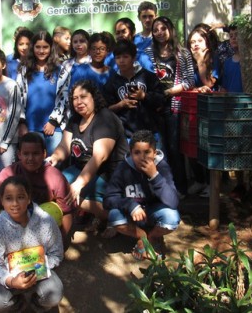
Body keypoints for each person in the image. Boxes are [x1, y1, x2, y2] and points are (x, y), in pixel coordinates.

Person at [48, 80, 128, 234]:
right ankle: (95, 214)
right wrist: (53, 159)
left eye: (83, 97)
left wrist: (78, 184)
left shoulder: (105, 118)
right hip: (83, 169)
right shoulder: (75, 119)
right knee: (56, 185)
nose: (79, 102)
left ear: (94, 97)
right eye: (75, 98)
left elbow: (100, 156)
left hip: (110, 173)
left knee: (70, 193)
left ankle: (116, 218)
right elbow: (64, 146)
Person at [0, 176, 64, 313]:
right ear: (2, 201)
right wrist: (10, 281)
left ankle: (37, 305)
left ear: (29, 199)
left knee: (54, 294)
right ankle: (18, 305)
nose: (15, 203)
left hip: (40, 274)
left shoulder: (45, 220)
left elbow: (56, 253)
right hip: (10, 276)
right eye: (8, 198)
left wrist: (38, 270)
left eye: (21, 197)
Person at [0, 133, 76, 243]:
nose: (31, 158)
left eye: (36, 153)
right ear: (19, 154)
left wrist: (61, 240)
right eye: (26, 154)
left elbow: (67, 212)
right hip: (13, 230)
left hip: (44, 232)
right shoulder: (8, 173)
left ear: (44, 154)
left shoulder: (55, 177)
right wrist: (0, 230)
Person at [104, 130, 180, 260]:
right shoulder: (123, 168)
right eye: (137, 153)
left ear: (155, 153)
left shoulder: (162, 167)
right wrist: (130, 205)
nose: (142, 157)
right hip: (132, 215)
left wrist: (154, 176)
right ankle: (142, 236)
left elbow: (173, 202)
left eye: (147, 152)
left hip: (154, 213)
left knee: (172, 218)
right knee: (114, 216)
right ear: (131, 153)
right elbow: (108, 199)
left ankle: (151, 238)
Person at [143, 16, 194, 195]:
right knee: (159, 148)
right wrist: (153, 97)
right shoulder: (148, 52)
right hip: (154, 107)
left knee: (174, 148)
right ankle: (162, 188)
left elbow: (190, 80)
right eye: (155, 30)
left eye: (163, 28)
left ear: (170, 29)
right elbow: (146, 77)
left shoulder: (182, 52)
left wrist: (169, 92)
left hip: (174, 106)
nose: (159, 33)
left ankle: (180, 188)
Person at [16, 31, 71, 155]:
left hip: (53, 128)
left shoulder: (61, 71)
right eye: (38, 47)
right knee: (32, 166)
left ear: (51, 48)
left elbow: (64, 98)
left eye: (45, 47)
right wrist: (22, 123)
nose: (41, 51)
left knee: (54, 166)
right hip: (30, 127)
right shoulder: (24, 70)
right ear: (32, 48)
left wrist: (53, 121)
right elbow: (18, 98)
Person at [104, 40, 165, 139]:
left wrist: (144, 96)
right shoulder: (112, 82)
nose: (121, 61)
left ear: (134, 58)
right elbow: (105, 109)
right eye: (118, 57)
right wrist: (121, 104)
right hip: (126, 136)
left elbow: (161, 100)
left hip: (151, 132)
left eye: (125, 57)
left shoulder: (148, 76)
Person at [188, 25, 223, 93]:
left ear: (207, 43)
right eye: (193, 42)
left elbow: (209, 83)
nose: (196, 44)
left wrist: (200, 61)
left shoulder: (214, 58)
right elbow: (186, 85)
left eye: (200, 41)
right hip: (193, 99)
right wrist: (197, 89)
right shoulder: (187, 59)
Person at [221, 26, 243, 93]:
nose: (233, 38)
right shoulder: (227, 63)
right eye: (231, 36)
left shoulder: (250, 61)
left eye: (236, 35)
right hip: (231, 101)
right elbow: (225, 87)